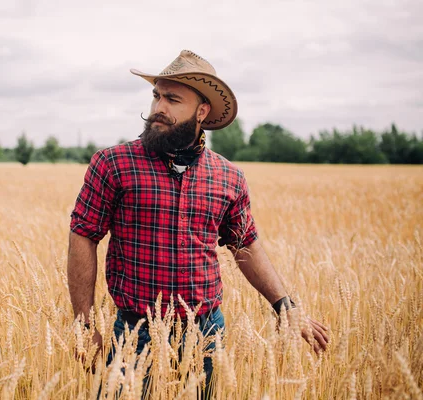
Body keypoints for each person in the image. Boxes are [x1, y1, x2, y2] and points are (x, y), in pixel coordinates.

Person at [67, 50, 329, 397]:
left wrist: (285, 307)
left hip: (205, 334)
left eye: (173, 99)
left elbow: (245, 244)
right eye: (157, 96)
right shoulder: (113, 164)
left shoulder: (228, 177)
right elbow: (83, 235)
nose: (159, 107)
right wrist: (85, 324)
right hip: (134, 333)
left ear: (201, 111)